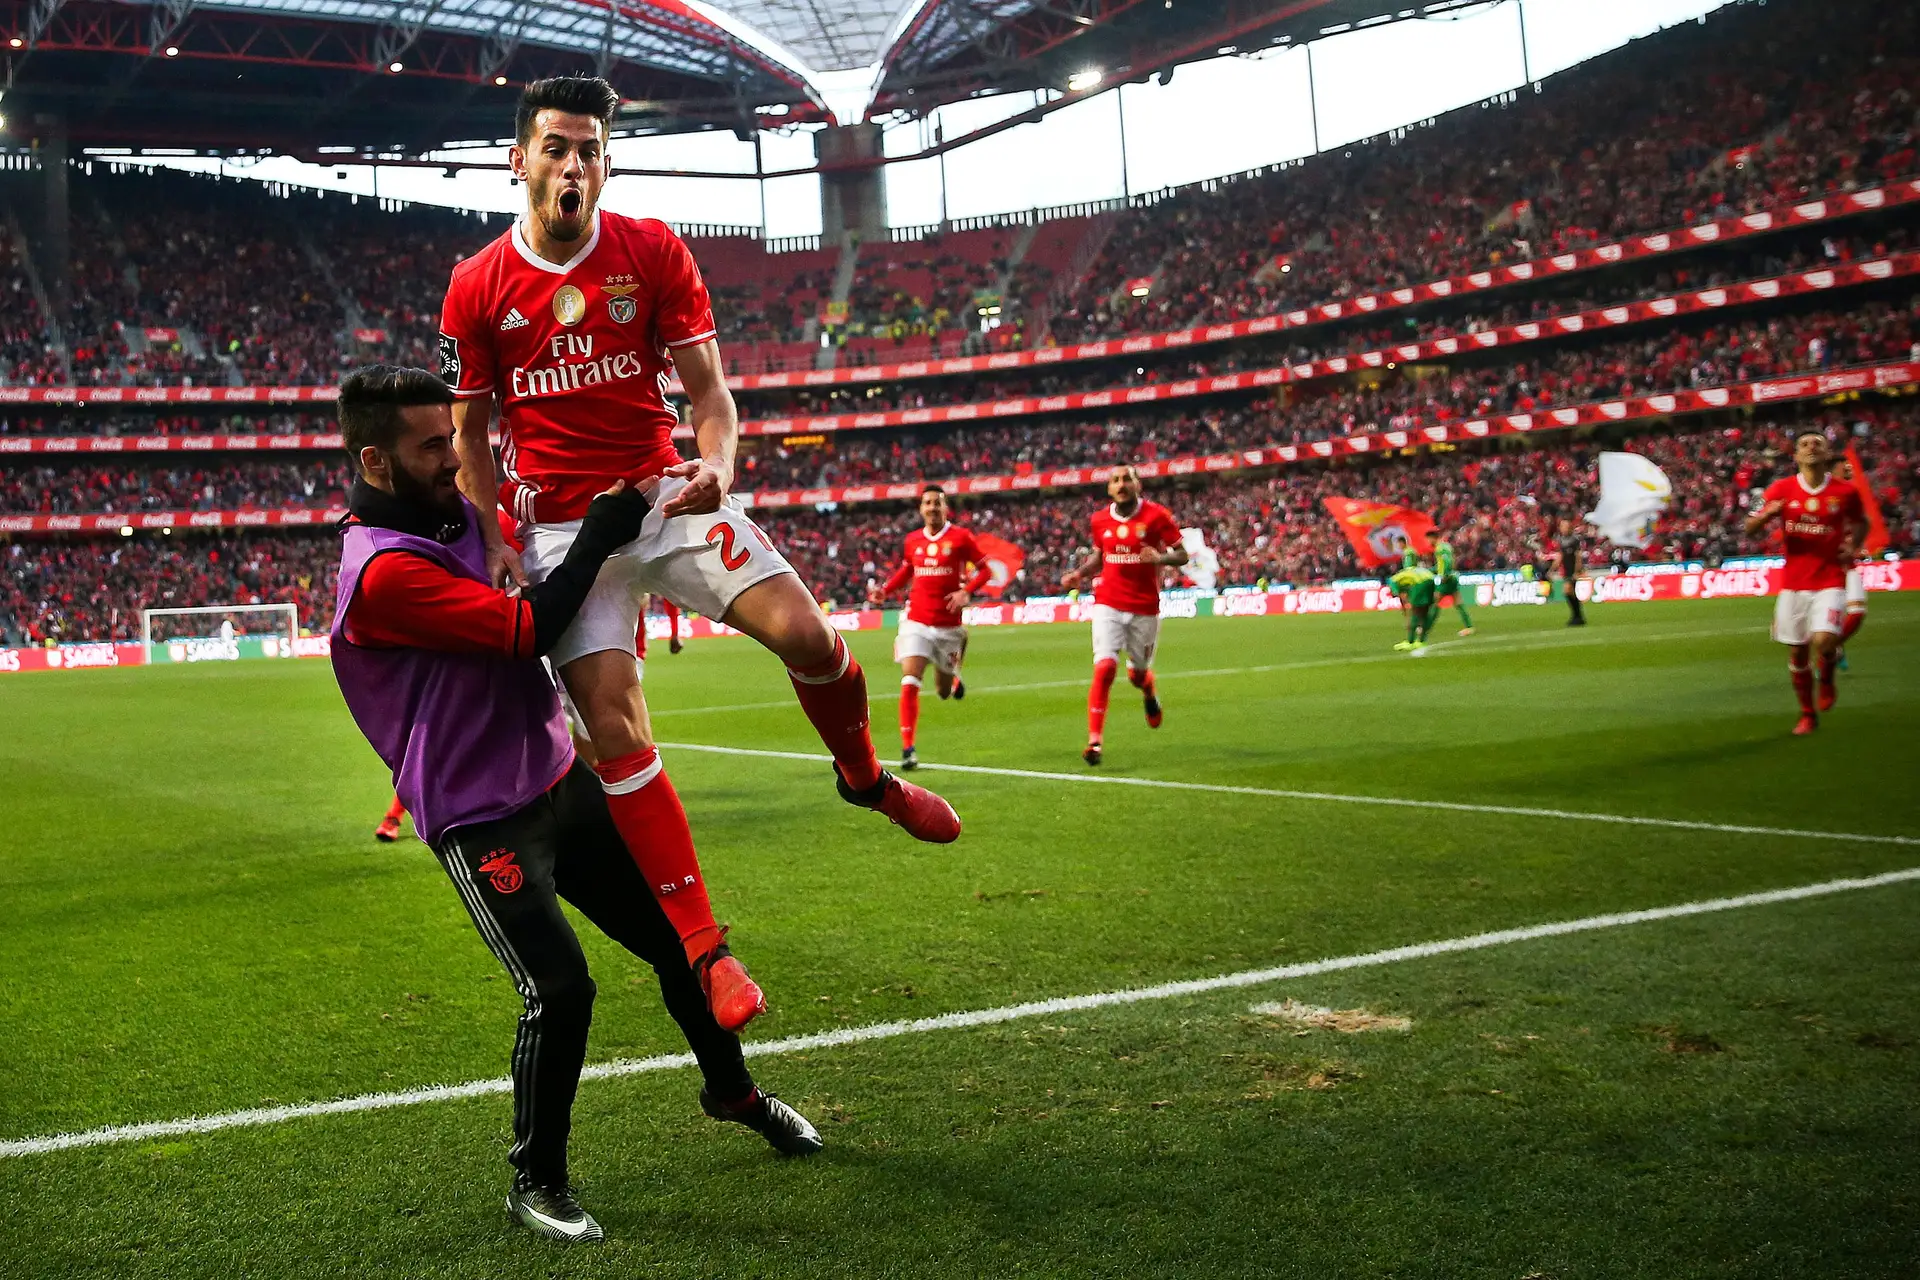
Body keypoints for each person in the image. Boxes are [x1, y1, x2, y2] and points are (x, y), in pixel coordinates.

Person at [437, 77, 961, 983]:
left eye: (590, 150)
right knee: (616, 726)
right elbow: (467, 441)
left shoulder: (652, 251)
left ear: (608, 166)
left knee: (812, 637)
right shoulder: (476, 285)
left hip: (664, 498)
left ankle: (866, 778)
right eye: (556, 147)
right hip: (564, 532)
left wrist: (717, 463)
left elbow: (711, 396)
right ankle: (705, 948)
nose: (573, 165)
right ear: (517, 160)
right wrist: (492, 539)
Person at [328, 367, 820, 1246]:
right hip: (481, 817)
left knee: (682, 940)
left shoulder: (456, 518)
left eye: (453, 437)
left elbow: (514, 528)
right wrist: (596, 534)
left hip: (558, 777)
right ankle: (537, 1180)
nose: (452, 456)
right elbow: (527, 630)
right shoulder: (381, 574)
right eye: (431, 445)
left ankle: (733, 1092)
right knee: (561, 990)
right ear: (374, 458)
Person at [1059, 465, 1189, 766]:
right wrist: (1079, 573)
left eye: (1126, 479)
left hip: (1144, 607)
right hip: (1108, 602)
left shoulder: (1157, 516)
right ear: (1109, 489)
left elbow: (1182, 554)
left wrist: (1160, 558)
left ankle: (1149, 689)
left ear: (1137, 484)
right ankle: (1095, 741)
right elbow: (1101, 556)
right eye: (1115, 480)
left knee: (1137, 674)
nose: (1121, 485)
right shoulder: (1099, 520)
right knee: (1104, 667)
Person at [1744, 431, 1866, 734]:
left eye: (1818, 444)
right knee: (1797, 652)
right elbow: (1749, 529)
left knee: (1824, 640)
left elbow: (1862, 521)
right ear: (1795, 456)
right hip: (1794, 584)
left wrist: (1853, 547)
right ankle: (1807, 713)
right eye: (1804, 444)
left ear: (1826, 455)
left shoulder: (1845, 492)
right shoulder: (1780, 489)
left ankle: (1826, 677)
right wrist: (1765, 516)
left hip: (1830, 580)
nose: (1811, 447)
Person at [867, 486, 990, 770]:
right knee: (910, 679)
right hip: (916, 621)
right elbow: (908, 569)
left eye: (938, 503)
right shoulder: (912, 540)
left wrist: (966, 592)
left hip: (947, 626)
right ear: (921, 509)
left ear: (946, 508)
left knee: (943, 692)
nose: (932, 507)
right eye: (928, 503)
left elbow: (985, 569)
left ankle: (955, 675)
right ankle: (908, 748)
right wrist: (886, 590)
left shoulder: (961, 537)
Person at [1388, 558, 1438, 651]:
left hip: (1420, 581)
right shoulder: (1405, 578)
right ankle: (1421, 641)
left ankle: (1410, 642)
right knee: (1424, 612)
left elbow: (1400, 596)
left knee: (1415, 612)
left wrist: (1407, 616)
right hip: (1430, 578)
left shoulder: (1393, 581)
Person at [1433, 534, 1474, 635]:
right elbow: (1450, 561)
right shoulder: (1447, 547)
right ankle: (1469, 627)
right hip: (1453, 577)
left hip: (1447, 579)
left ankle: (1423, 627)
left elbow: (1446, 562)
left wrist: (1444, 575)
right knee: (1459, 603)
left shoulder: (1440, 548)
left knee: (1433, 603)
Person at [1553, 518, 1587, 626]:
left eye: (1565, 526)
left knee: (1567, 591)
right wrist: (1553, 569)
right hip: (1567, 570)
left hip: (1573, 570)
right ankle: (1578, 617)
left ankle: (1577, 616)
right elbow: (1561, 556)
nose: (1563, 529)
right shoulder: (1561, 539)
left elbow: (1578, 557)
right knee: (1570, 593)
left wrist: (1577, 571)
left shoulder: (1574, 540)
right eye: (1562, 526)